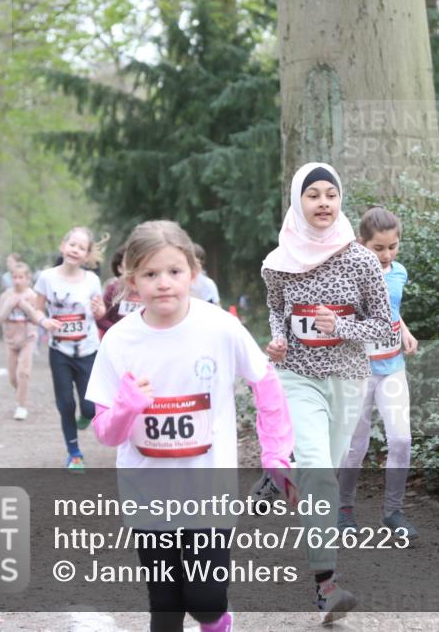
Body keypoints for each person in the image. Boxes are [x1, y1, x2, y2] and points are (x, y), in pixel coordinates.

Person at [85, 220, 295, 632]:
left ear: (193, 275)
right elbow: (105, 432)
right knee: (164, 607)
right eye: (150, 274)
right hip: (147, 492)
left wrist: (275, 454)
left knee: (205, 601)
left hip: (207, 491)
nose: (163, 283)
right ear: (132, 282)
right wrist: (128, 405)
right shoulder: (119, 341)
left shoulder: (219, 327)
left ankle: (219, 620)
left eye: (174, 272)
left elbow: (265, 382)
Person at [261, 162, 393, 623]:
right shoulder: (277, 264)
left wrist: (342, 325)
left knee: (325, 477)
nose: (322, 202)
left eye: (330, 195)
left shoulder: (360, 260)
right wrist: (277, 340)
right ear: (298, 201)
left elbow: (383, 327)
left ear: (340, 202)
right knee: (317, 468)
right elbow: (277, 313)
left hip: (347, 378)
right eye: (312, 194)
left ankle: (284, 477)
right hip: (297, 377)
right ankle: (327, 583)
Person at [337, 206, 420, 538]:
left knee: (401, 439)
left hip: (392, 368)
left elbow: (392, 310)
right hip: (358, 372)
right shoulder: (349, 275)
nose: (387, 255)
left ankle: (393, 513)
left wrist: (404, 330)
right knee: (355, 447)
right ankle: (343, 511)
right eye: (379, 248)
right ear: (361, 244)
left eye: (393, 246)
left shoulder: (398, 272)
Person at [34, 227, 107, 470]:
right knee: (66, 404)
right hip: (60, 351)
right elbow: (37, 309)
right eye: (72, 244)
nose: (75, 250)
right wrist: (44, 321)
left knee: (88, 406)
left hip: (88, 349)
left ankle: (86, 416)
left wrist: (99, 311)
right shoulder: (47, 277)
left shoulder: (92, 280)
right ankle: (74, 453)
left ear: (86, 256)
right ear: (63, 246)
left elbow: (100, 311)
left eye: (81, 248)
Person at [0, 262, 45, 421]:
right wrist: (10, 305)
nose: (17, 281)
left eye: (21, 277)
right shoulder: (6, 296)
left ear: (27, 279)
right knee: (13, 378)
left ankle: (21, 406)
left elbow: (38, 319)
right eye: (14, 277)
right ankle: (21, 395)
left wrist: (25, 306)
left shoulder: (32, 296)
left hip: (28, 340)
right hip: (10, 341)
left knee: (23, 372)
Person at [96, 245, 143, 338]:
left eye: (135, 263)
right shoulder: (113, 289)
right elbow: (101, 320)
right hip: (117, 340)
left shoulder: (148, 288)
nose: (132, 268)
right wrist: (120, 332)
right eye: (128, 264)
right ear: (120, 268)